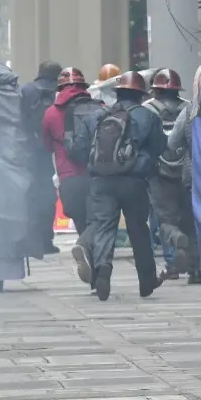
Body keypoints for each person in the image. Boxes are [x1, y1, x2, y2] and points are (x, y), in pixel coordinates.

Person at [68, 71, 167, 301]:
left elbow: (81, 148)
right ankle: (146, 280)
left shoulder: (99, 115)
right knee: (138, 230)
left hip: (101, 181)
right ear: (141, 95)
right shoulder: (148, 117)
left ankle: (103, 270)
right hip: (134, 181)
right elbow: (159, 146)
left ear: (118, 92)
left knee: (103, 226)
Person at [41, 67, 104, 289]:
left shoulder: (50, 113)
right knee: (98, 222)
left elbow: (47, 146)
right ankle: (88, 254)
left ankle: (94, 275)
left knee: (81, 221)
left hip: (69, 177)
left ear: (60, 89)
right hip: (97, 174)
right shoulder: (100, 108)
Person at [143, 69, 200, 283]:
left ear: (155, 90)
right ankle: (196, 269)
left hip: (159, 174)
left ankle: (173, 257)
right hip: (188, 174)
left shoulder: (147, 109)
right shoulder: (188, 107)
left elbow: (170, 143)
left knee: (166, 219)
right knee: (191, 221)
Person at [20, 61, 63, 257]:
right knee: (47, 196)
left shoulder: (26, 90)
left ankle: (30, 241)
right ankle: (46, 241)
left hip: (27, 152)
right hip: (48, 150)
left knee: (29, 196)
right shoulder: (58, 91)